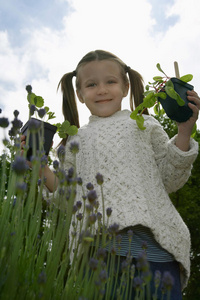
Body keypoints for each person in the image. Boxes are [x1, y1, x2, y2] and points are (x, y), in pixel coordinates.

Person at [21, 50, 199, 299]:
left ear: (126, 87)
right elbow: (66, 196)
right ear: (80, 95)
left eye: (110, 82)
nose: (102, 90)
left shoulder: (145, 125)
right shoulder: (76, 139)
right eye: (92, 84)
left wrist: (184, 130)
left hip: (158, 254)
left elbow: (171, 178)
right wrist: (39, 166)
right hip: (101, 258)